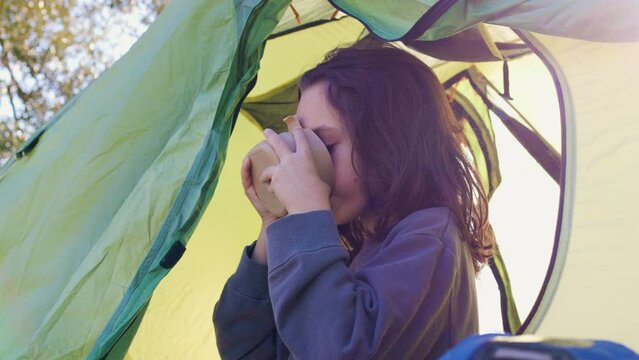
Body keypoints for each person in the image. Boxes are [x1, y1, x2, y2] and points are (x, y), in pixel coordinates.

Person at [213, 44, 494, 359]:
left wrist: (307, 210)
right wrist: (274, 222)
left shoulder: (430, 236)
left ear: (391, 142)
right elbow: (243, 348)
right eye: (303, 145)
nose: (306, 165)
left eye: (325, 146)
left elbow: (339, 350)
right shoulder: (358, 253)